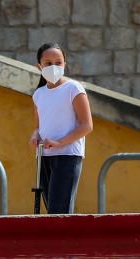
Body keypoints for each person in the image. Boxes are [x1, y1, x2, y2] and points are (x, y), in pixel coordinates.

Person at [30, 43, 93, 214]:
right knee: (51, 210)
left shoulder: (73, 89)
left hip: (68, 156)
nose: (53, 67)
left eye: (58, 62)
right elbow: (38, 126)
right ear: (39, 66)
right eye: (48, 63)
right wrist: (35, 136)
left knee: (60, 212)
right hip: (44, 157)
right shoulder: (38, 94)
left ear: (65, 64)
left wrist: (59, 142)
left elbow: (86, 125)